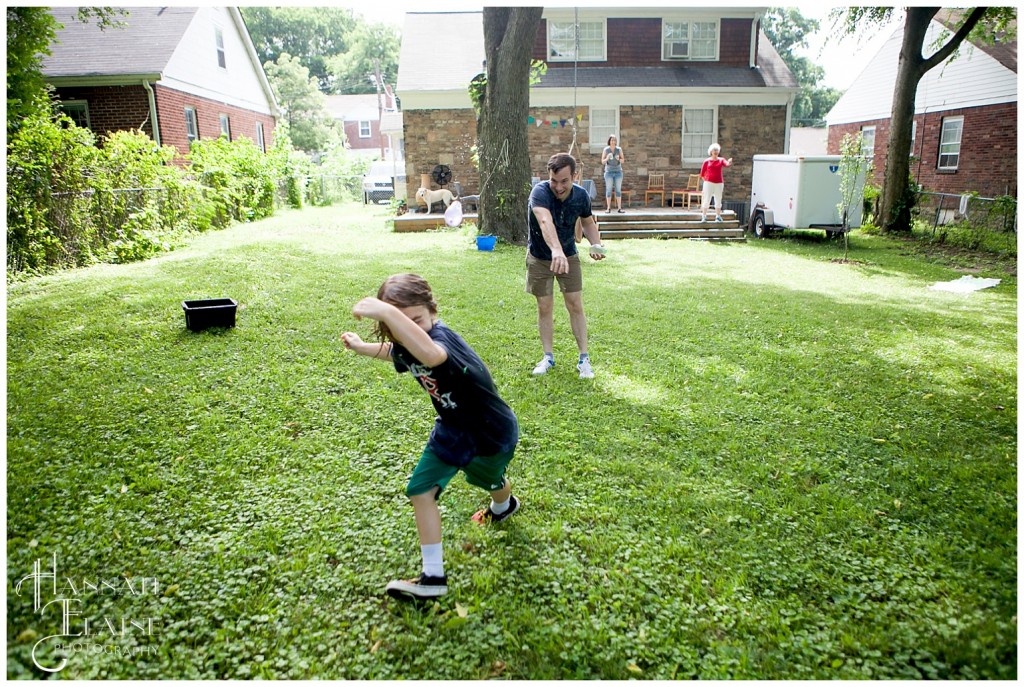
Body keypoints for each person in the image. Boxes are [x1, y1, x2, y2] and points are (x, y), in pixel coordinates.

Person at [341, 273, 520, 601]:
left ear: (432, 311)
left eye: (416, 320)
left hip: (490, 432)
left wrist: (389, 314)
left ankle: (504, 506)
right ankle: (432, 576)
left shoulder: (440, 337)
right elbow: (397, 353)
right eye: (400, 324)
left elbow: (431, 355)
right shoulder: (408, 340)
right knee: (420, 490)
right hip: (453, 429)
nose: (410, 329)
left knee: (490, 482)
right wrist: (362, 347)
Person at [526, 153, 606, 379]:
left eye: (564, 181)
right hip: (540, 256)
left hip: (568, 255)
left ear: (575, 176)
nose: (558, 187)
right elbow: (544, 221)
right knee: (544, 306)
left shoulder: (581, 196)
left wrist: (596, 243)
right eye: (554, 180)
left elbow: (588, 222)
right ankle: (548, 357)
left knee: (575, 304)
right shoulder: (539, 192)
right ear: (547, 176)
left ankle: (584, 359)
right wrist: (555, 250)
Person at [699, 143, 733, 222]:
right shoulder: (707, 161)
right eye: (714, 150)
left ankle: (718, 216)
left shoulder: (721, 160)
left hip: (719, 183)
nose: (716, 152)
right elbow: (702, 173)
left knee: (718, 199)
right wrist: (707, 181)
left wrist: (729, 162)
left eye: (717, 150)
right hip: (709, 183)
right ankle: (704, 216)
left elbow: (726, 164)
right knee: (707, 199)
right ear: (711, 151)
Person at [601, 135, 626, 213]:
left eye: (614, 140)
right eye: (611, 140)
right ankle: (608, 208)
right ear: (609, 141)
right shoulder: (606, 149)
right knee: (608, 190)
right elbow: (602, 161)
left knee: (618, 190)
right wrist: (607, 158)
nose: (613, 142)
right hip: (609, 172)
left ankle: (619, 208)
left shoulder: (619, 149)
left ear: (616, 142)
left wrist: (619, 159)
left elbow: (623, 161)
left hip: (618, 172)